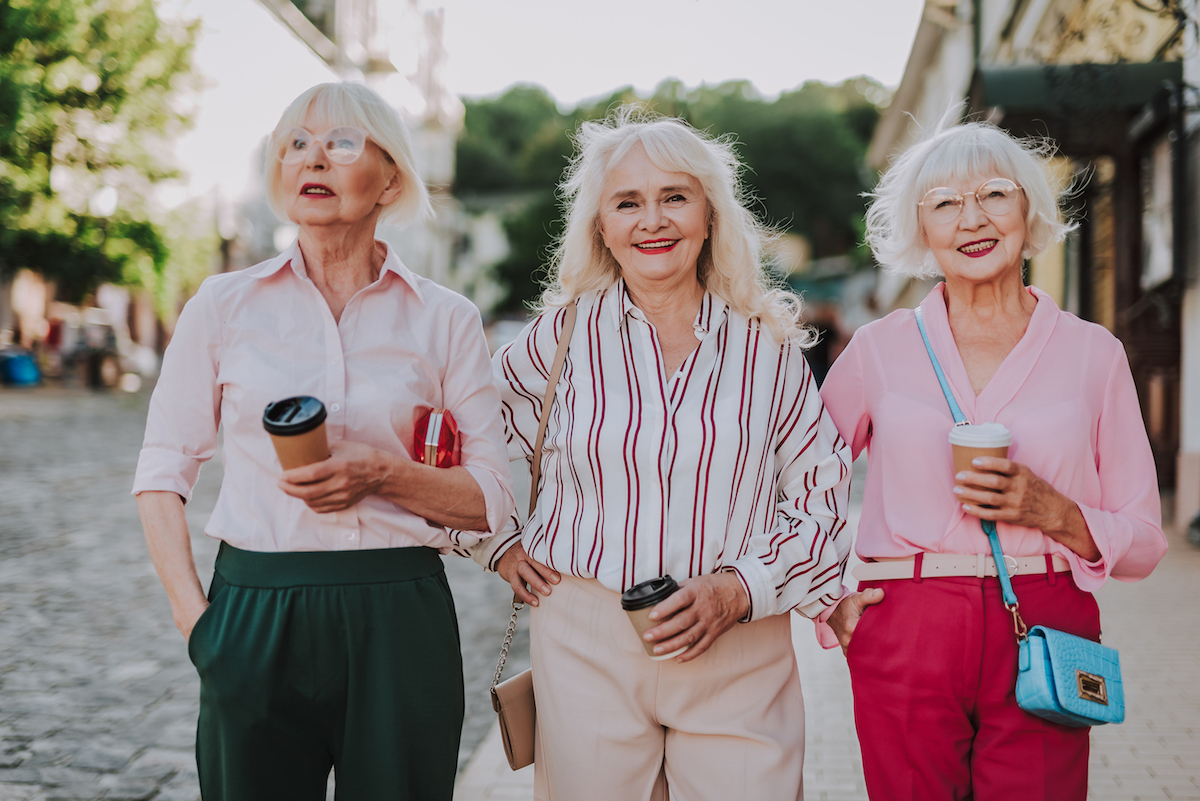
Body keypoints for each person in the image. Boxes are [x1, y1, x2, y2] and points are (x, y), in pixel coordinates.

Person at [133, 82, 514, 801]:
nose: (313, 159)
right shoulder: (221, 306)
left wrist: (380, 475)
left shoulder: (446, 320)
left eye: (341, 143)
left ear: (392, 176)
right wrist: (199, 627)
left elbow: (489, 499)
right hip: (253, 608)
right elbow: (161, 468)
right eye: (294, 145)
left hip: (398, 614)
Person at [470, 109, 853, 801]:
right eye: (627, 202)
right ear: (601, 226)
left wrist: (741, 587)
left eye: (675, 196)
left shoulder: (765, 345)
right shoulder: (559, 338)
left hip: (740, 647)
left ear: (710, 215)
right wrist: (494, 543)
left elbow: (822, 499)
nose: (653, 219)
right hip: (586, 642)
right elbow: (474, 443)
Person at [820, 118, 1168, 801]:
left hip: (1048, 616)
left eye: (994, 195)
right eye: (945, 203)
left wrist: (1058, 513)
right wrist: (825, 597)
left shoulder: (1093, 352)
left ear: (1028, 208)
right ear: (920, 227)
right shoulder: (878, 349)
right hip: (905, 618)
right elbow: (797, 483)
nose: (971, 219)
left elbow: (1147, 541)